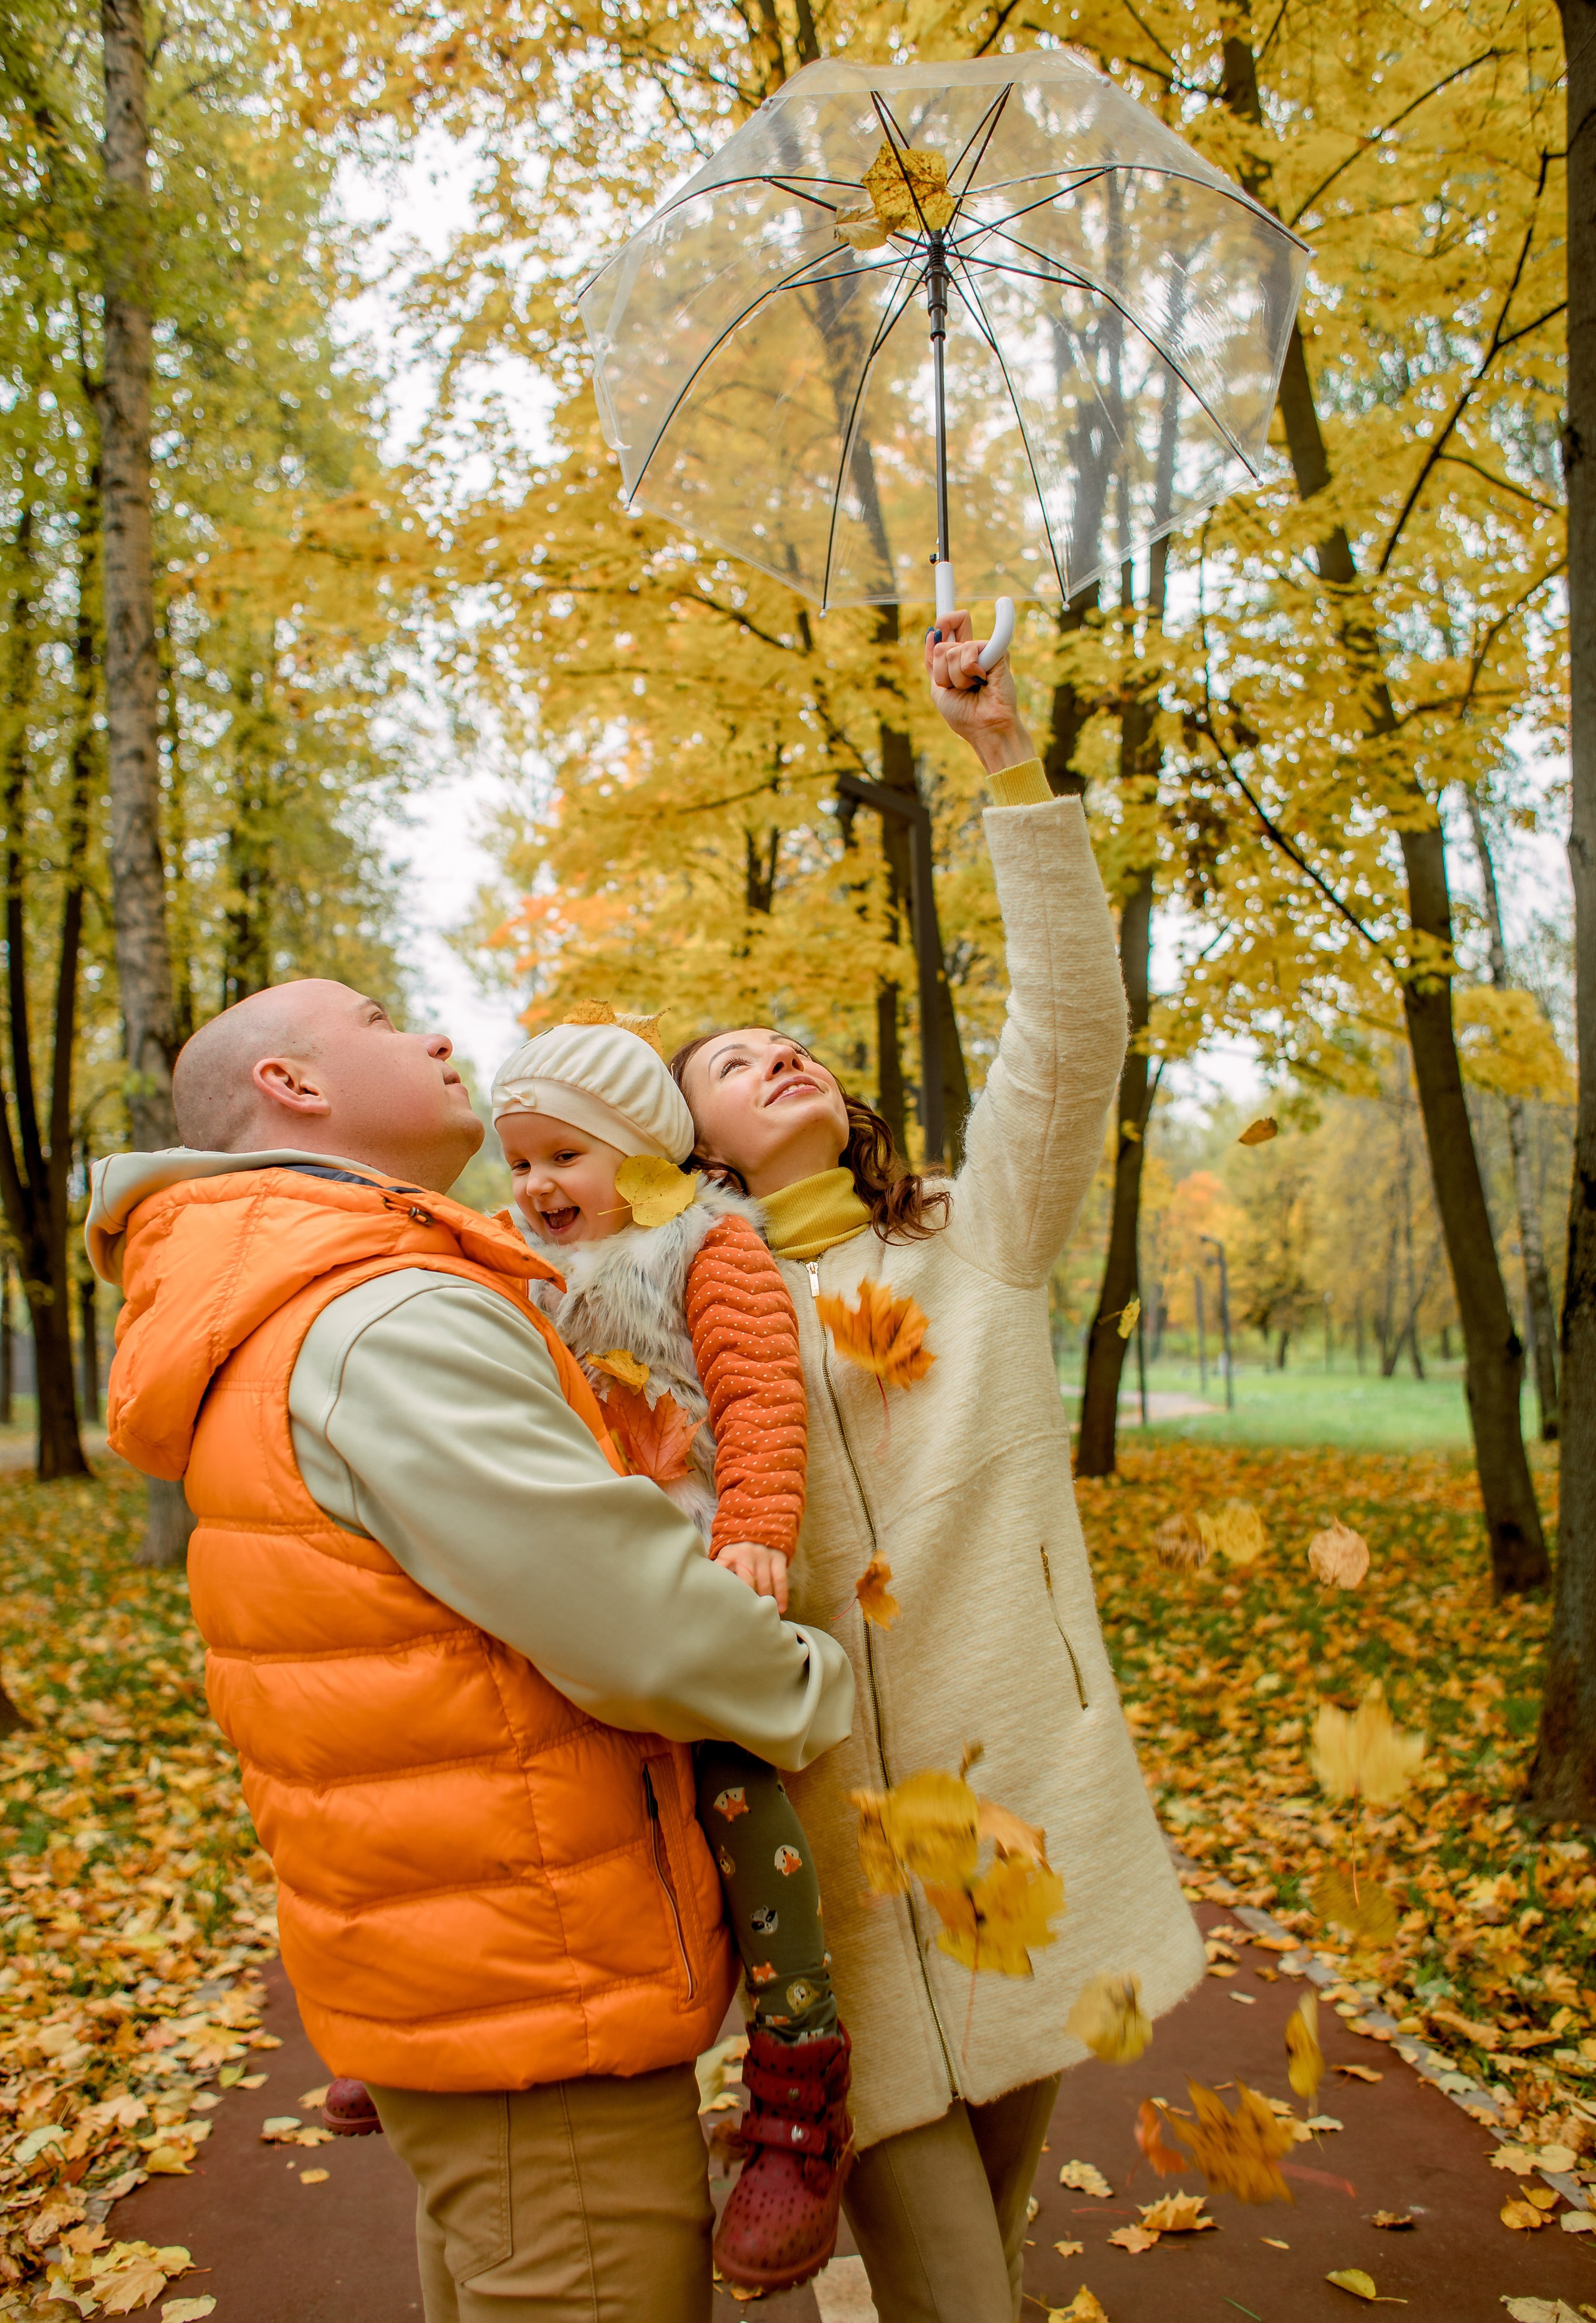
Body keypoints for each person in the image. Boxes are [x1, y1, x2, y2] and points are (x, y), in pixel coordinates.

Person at [84, 981, 853, 2323]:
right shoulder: (385, 1318)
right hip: (539, 1991)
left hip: (461, 1975)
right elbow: (632, 1623)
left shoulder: (286, 1296)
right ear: (294, 1086)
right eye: (385, 1021)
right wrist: (810, 1685)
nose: (438, 1037)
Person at [669, 611, 1206, 2323]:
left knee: (998, 2232)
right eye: (739, 1068)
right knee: (960, 2285)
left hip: (1029, 1815)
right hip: (834, 1871)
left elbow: (1073, 1031)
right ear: (696, 1153)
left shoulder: (980, 1247)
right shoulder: (678, 1330)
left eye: (789, 1038)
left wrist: (1006, 765)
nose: (785, 1055)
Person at [489, 1011, 853, 2294]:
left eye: (562, 1157)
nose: (534, 1186)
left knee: (735, 1790)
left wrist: (756, 1528)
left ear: (640, 1150)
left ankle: (797, 2075)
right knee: (531, 1780)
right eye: (516, 1158)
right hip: (570, 1563)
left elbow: (756, 1389)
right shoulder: (514, 1262)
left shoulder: (707, 1240)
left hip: (694, 1553)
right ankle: (457, 2012)